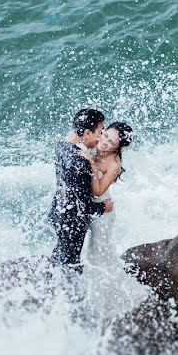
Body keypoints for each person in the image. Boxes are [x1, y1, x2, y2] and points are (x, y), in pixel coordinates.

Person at [48, 108, 114, 271]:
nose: (102, 135)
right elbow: (83, 205)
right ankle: (70, 295)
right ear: (86, 133)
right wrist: (103, 207)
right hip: (72, 221)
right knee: (72, 264)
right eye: (100, 131)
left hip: (57, 211)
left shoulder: (62, 147)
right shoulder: (81, 163)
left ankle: (51, 284)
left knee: (60, 256)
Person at [79, 121, 134, 268]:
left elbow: (97, 191)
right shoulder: (96, 142)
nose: (104, 143)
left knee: (98, 249)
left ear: (118, 147)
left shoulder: (114, 164)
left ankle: (106, 280)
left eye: (111, 143)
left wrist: (91, 161)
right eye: (106, 135)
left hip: (103, 211)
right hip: (88, 205)